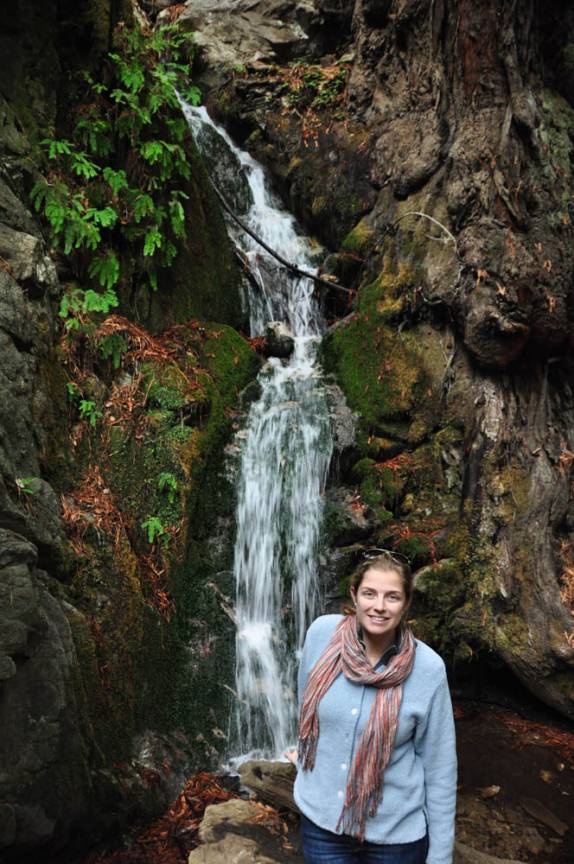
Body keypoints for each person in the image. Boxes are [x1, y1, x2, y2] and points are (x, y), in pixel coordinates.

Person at [291, 549, 457, 864]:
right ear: (354, 595)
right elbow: (305, 709)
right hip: (322, 827)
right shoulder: (321, 635)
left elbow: (440, 768)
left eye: (392, 597)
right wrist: (304, 762)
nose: (379, 606)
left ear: (406, 603)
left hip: (395, 838)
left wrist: (441, 855)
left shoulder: (428, 669)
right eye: (370, 593)